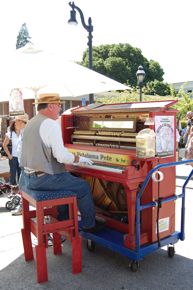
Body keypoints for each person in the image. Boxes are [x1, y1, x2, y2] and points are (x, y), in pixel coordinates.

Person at [19, 93, 101, 233]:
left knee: (66, 183)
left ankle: (63, 220)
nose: (60, 109)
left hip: (26, 178)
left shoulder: (31, 122)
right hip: (42, 179)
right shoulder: (50, 124)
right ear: (51, 106)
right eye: (59, 105)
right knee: (82, 186)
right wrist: (81, 159)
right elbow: (62, 157)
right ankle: (89, 224)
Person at [2, 114, 28, 186]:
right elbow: (4, 145)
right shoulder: (10, 134)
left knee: (21, 174)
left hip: (21, 157)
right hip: (13, 157)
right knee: (13, 173)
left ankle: (21, 189)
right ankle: (12, 189)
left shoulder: (23, 133)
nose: (21, 125)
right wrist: (9, 155)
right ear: (15, 124)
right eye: (19, 123)